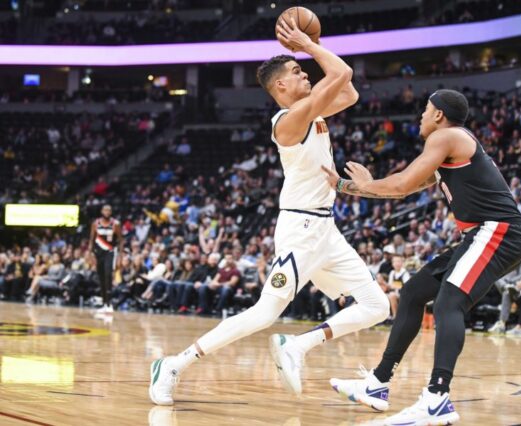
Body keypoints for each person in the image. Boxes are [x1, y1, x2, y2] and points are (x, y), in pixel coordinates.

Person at [149, 18, 388, 406]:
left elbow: (350, 92)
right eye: (296, 71)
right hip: (301, 226)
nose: (305, 73)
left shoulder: (314, 111)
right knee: (264, 312)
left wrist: (314, 44)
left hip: (326, 229)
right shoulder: (288, 121)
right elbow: (341, 72)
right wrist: (310, 45)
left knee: (377, 305)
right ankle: (174, 365)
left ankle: (297, 346)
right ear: (280, 86)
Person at [324, 89, 521, 425]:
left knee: (449, 304)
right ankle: (378, 383)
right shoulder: (452, 144)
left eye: (425, 109)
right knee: (414, 292)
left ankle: (436, 398)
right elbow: (416, 185)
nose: (420, 115)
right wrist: (365, 186)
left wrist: (349, 186)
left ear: (438, 115)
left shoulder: (446, 136)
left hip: (498, 231)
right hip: (482, 233)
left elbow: (402, 184)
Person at [88, 204, 123, 316]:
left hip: (110, 252)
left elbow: (121, 240)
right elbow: (91, 240)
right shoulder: (95, 224)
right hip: (99, 254)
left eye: (109, 210)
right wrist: (90, 253)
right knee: (101, 278)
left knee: (108, 275)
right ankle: (104, 304)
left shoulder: (116, 224)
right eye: (105, 210)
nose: (107, 212)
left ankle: (109, 303)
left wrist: (120, 256)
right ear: (102, 211)